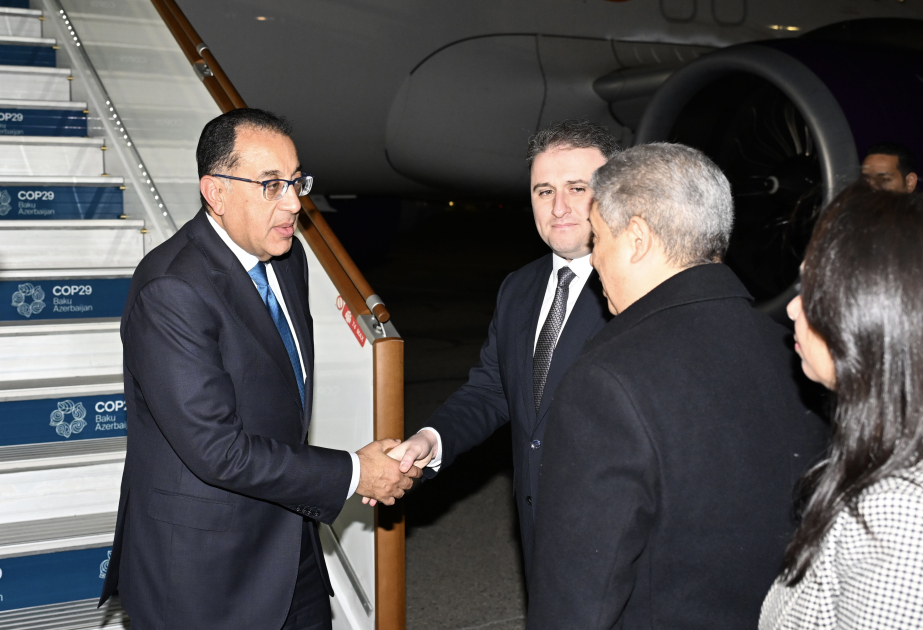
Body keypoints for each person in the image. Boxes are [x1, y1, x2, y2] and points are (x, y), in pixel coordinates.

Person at [99, 108, 420, 630]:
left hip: (292, 546)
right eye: (272, 185)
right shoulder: (171, 289)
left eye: (297, 182)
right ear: (216, 193)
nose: (294, 203)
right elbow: (217, 451)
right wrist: (356, 472)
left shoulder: (288, 259)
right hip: (205, 577)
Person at [526, 143, 828, 629]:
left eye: (598, 238)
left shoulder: (605, 382)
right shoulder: (795, 356)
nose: (594, 260)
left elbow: (579, 600)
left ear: (637, 238)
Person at [386, 119, 617, 582]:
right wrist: (431, 440)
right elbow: (493, 389)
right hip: (537, 528)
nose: (559, 207)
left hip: (616, 536)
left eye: (577, 188)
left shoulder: (638, 290)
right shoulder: (519, 287)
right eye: (544, 191)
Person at [760, 187, 923, 629]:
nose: (792, 307)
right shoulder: (885, 455)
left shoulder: (896, 515)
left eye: (813, 290)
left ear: (870, 314)